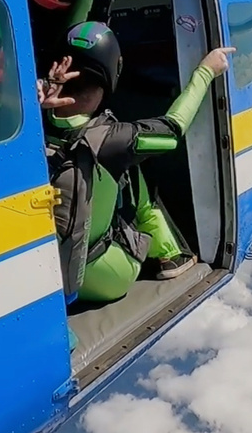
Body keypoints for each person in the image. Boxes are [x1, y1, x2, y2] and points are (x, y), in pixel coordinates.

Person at [41, 20, 234, 308]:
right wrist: (206, 71)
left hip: (37, 266)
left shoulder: (28, 117)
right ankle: (170, 255)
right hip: (96, 275)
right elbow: (172, 131)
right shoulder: (110, 140)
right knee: (132, 165)